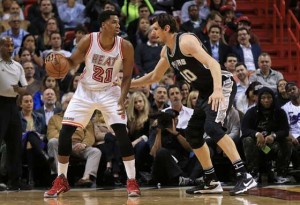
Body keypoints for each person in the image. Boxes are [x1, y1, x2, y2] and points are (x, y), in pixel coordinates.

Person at [130, 13, 257, 196]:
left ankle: (244, 175)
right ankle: (211, 180)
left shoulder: (186, 41)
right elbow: (154, 77)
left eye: (156, 28)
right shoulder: (166, 51)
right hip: (205, 92)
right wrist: (127, 85)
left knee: (212, 127)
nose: (153, 31)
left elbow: (213, 63)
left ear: (166, 28)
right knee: (193, 134)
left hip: (221, 84)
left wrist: (218, 90)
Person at [44, 10, 140, 198]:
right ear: (103, 24)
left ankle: (132, 180)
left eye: (118, 22)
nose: (118, 25)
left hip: (110, 92)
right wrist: (61, 65)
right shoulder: (89, 40)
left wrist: (122, 96)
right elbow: (73, 61)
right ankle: (61, 179)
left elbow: (127, 76)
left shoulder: (125, 46)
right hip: (86, 91)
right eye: (114, 22)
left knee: (121, 132)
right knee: (65, 133)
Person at [0, 36, 31, 190]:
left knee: (15, 144)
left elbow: (24, 87)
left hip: (13, 106)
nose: (10, 48)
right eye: (6, 45)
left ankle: (15, 180)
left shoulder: (18, 66)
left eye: (12, 45)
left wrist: (19, 89)